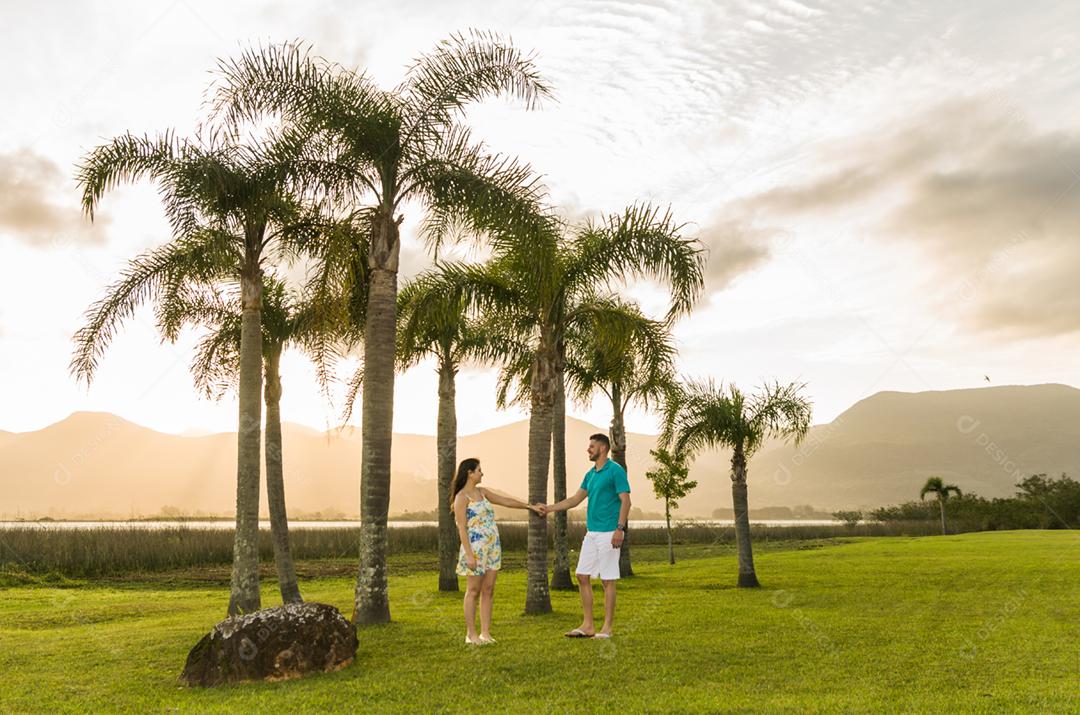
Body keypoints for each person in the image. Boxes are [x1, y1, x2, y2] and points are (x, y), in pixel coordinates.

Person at [541, 433, 631, 639]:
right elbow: (574, 499)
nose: (588, 449)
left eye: (591, 446)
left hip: (610, 531)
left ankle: (607, 627)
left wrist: (620, 529)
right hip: (592, 533)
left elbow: (625, 501)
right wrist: (549, 508)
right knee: (582, 576)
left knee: (608, 580)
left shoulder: (615, 470)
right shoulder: (590, 475)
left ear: (602, 448)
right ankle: (588, 625)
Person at [451, 457, 543, 645]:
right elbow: (461, 527)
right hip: (475, 548)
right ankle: (471, 634)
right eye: (479, 470)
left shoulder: (482, 492)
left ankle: (485, 633)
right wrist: (469, 554)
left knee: (489, 589)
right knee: (473, 590)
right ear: (469, 473)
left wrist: (529, 506)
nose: (481, 473)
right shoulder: (461, 497)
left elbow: (506, 501)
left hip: (493, 546)